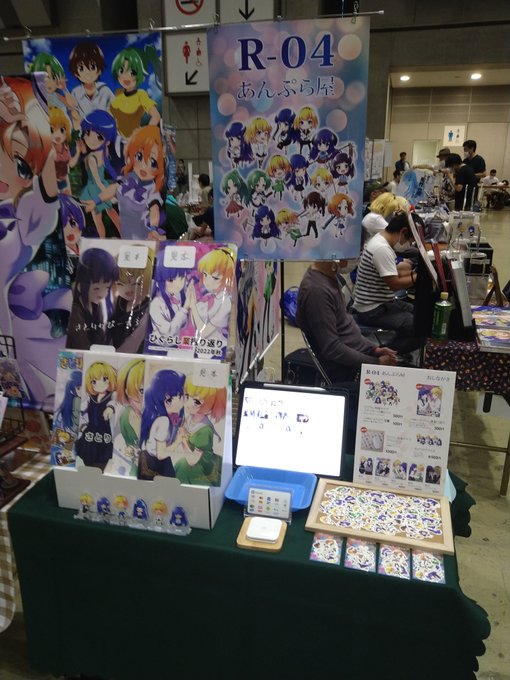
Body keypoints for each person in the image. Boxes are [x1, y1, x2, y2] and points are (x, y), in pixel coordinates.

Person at [295, 261, 398, 383]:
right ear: (335, 258)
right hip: (345, 370)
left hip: (354, 357)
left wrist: (374, 350)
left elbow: (346, 327)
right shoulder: (317, 292)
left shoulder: (328, 276)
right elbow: (332, 348)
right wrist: (375, 363)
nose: (355, 260)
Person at [352, 212, 424, 353]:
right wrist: (419, 277)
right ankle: (380, 355)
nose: (409, 245)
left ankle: (393, 348)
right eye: (410, 241)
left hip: (380, 303)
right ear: (403, 232)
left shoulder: (380, 240)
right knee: (420, 327)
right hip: (372, 310)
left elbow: (395, 274)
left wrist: (416, 274)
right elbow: (395, 284)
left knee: (420, 313)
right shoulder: (382, 249)